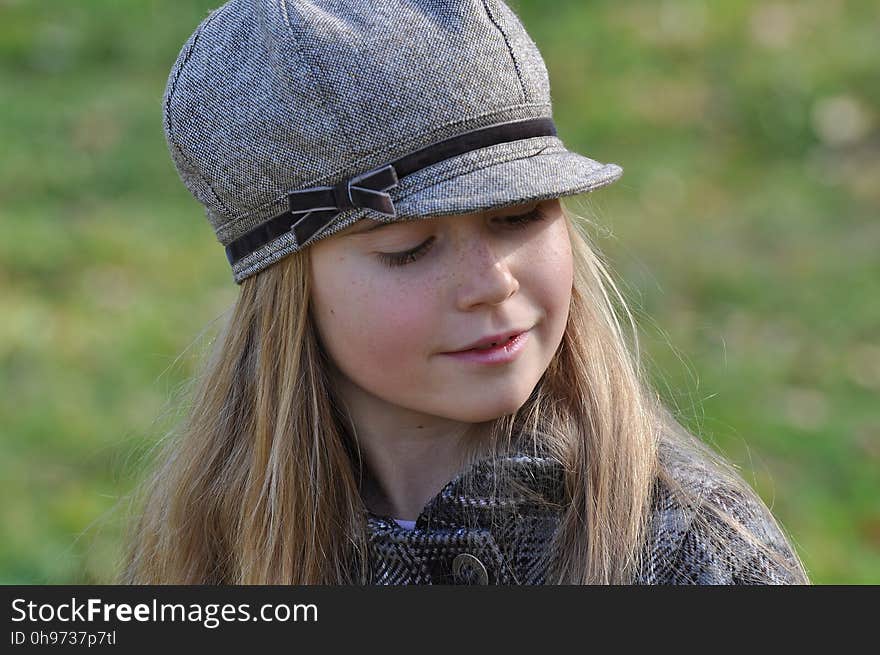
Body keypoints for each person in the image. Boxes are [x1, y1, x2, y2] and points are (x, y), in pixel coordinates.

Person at [120, 0, 809, 584]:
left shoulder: (695, 557)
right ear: (285, 291)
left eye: (519, 216)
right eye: (408, 249)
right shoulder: (212, 544)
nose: (492, 282)